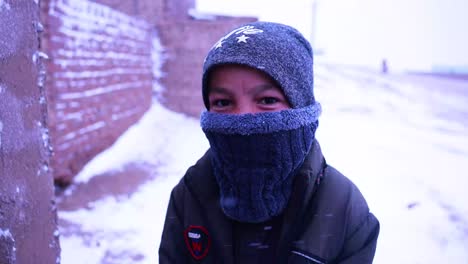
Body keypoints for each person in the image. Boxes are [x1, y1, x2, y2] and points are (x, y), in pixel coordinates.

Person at [159, 21, 380, 264]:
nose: (243, 119)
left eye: (266, 99)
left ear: (301, 109)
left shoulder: (343, 208)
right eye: (223, 102)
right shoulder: (191, 195)